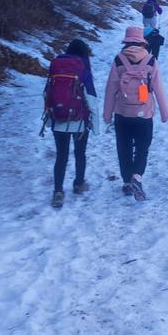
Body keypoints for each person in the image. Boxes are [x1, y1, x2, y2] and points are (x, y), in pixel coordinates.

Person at [103, 26, 168, 201]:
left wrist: (107, 114)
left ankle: (127, 182)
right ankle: (137, 177)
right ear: (142, 42)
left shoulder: (118, 60)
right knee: (142, 148)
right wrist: (164, 113)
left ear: (126, 42)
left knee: (123, 148)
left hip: (122, 113)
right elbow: (158, 89)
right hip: (144, 113)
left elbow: (110, 88)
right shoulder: (151, 60)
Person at [42, 39, 99, 209]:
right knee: (80, 152)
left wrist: (49, 118)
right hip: (79, 119)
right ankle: (78, 184)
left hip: (59, 118)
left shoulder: (56, 66)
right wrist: (95, 125)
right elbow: (91, 99)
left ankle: (58, 191)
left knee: (61, 155)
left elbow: (47, 93)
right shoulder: (83, 68)